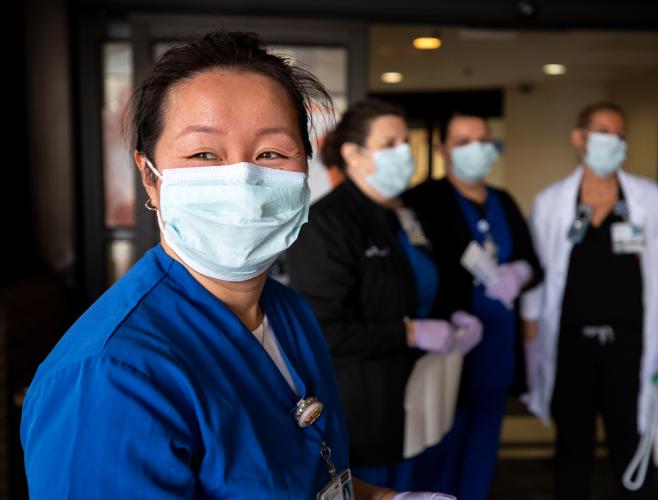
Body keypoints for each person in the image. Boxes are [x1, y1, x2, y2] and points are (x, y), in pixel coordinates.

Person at [20, 31, 449, 499]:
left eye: (272, 154)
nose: (244, 180)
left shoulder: (288, 313)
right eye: (204, 154)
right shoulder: (109, 377)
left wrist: (383, 497)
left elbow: (314, 476)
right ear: (150, 177)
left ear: (306, 173)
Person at [286, 99, 483, 492]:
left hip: (424, 393)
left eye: (405, 141)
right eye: (389, 143)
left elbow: (421, 281)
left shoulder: (407, 213)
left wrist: (452, 316)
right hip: (369, 409)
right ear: (353, 154)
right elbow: (326, 331)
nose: (404, 153)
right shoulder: (327, 224)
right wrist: (409, 333)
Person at [521, 101, 658, 499]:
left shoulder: (649, 200)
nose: (612, 141)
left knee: (629, 446)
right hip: (570, 348)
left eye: (619, 134)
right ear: (579, 139)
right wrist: (529, 347)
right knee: (571, 450)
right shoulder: (551, 203)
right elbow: (536, 284)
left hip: (631, 347)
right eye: (603, 132)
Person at [403, 111, 543, 499]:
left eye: (482, 140)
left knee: (482, 448)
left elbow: (534, 263)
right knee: (440, 452)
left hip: (496, 349)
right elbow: (415, 270)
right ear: (442, 149)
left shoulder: (504, 201)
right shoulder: (424, 200)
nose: (476, 149)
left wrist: (520, 272)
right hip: (449, 346)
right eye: (463, 141)